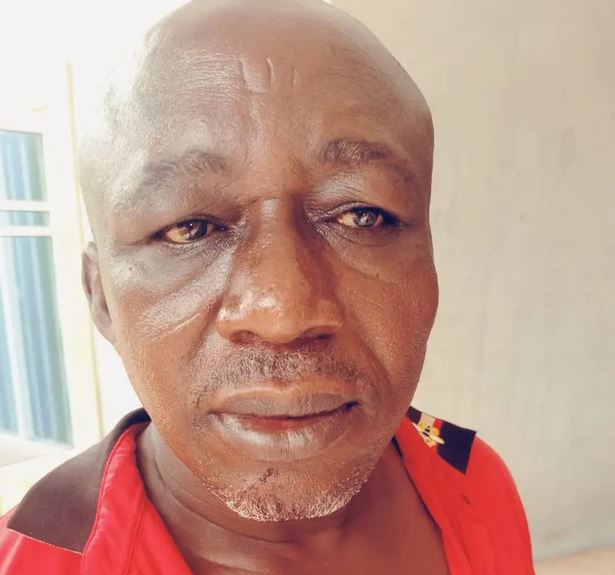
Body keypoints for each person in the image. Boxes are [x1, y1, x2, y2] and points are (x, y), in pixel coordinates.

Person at [0, 0, 535, 573]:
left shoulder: (475, 481)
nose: (283, 312)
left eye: (361, 214)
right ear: (102, 297)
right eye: (190, 229)